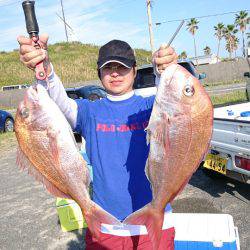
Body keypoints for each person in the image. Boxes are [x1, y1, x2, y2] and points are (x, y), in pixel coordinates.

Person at [18, 34, 178, 250]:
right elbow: (58, 100)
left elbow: (173, 97)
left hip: (155, 223)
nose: (115, 73)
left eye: (121, 67)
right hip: (105, 226)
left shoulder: (151, 107)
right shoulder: (89, 111)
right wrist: (45, 67)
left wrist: (165, 71)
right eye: (107, 67)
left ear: (134, 70)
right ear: (99, 73)